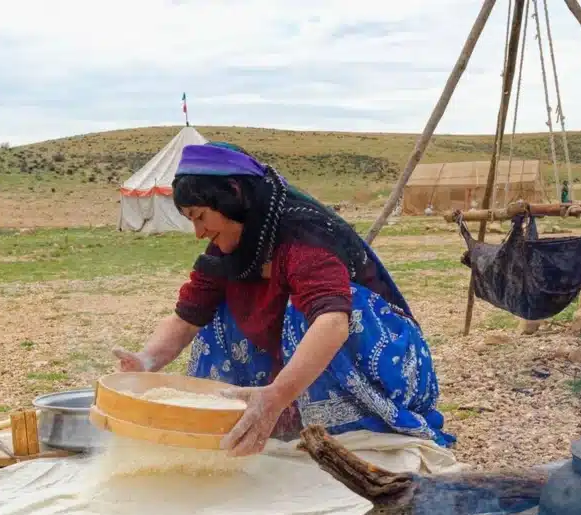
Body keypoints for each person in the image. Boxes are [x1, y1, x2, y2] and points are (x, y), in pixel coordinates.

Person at [113, 142, 455, 457]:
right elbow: (187, 318)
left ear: (233, 194)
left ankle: (344, 429)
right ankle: (255, 418)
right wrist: (145, 363)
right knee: (215, 315)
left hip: (389, 371)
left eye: (201, 217)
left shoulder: (303, 237)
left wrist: (275, 396)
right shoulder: (228, 250)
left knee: (309, 311)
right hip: (305, 365)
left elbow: (334, 322)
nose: (198, 232)